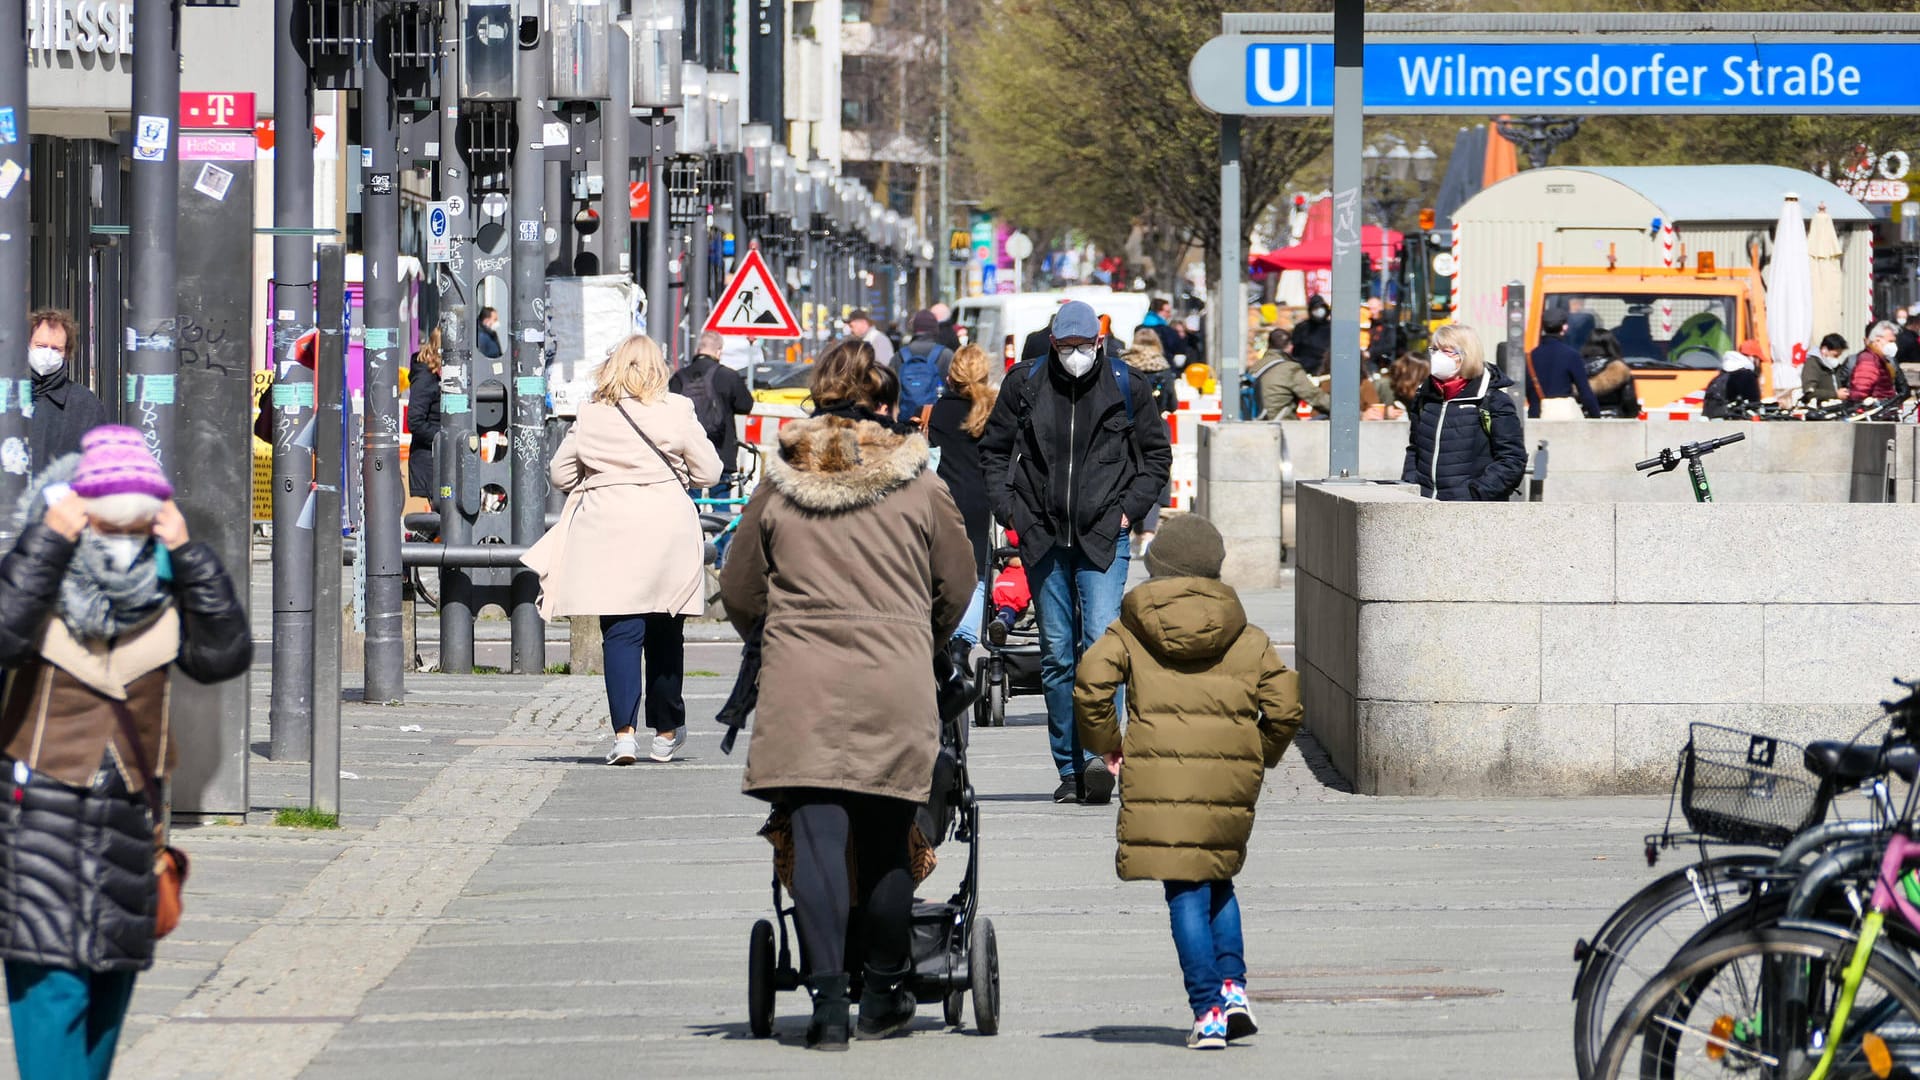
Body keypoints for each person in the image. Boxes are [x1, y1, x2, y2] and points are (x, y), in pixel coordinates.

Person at [719, 341, 975, 1050]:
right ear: (885, 404)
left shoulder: (779, 483)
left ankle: (828, 1006)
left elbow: (739, 589)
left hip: (803, 683)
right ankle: (886, 991)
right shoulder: (919, 483)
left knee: (819, 839)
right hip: (894, 681)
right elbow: (958, 582)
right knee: (890, 835)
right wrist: (918, 636)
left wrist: (775, 635)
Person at [0, 426, 251, 1080]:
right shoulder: (43, 583)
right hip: (39, 827)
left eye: (140, 521)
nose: (125, 536)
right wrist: (49, 537)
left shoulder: (162, 590)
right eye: (116, 519)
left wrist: (188, 550)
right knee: (55, 999)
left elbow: (224, 652)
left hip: (130, 827)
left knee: (107, 1004)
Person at [1074, 514, 1301, 1050]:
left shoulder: (1130, 629)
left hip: (1158, 776)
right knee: (1218, 878)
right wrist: (1258, 753)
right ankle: (1234, 988)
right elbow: (1286, 707)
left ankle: (1208, 1012)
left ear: (1160, 569)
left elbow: (1089, 683)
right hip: (1228, 781)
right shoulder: (1246, 635)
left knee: (1184, 891)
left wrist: (1108, 742)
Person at [978, 300, 1172, 805]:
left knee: (1101, 649)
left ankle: (1101, 759)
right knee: (1059, 657)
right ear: (1054, 343)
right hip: (1042, 536)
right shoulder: (1025, 384)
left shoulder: (1127, 386)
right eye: (1067, 347)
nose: (1076, 356)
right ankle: (1070, 768)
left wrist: (1129, 510)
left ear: (1100, 343)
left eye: (1084, 347)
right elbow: (994, 451)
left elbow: (1156, 456)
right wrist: (1009, 510)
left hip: (1103, 534)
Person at [522, 335, 722, 766]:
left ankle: (624, 735)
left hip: (609, 528)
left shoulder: (593, 413)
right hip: (667, 527)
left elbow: (559, 474)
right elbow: (709, 471)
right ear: (658, 367)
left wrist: (602, 475)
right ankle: (667, 731)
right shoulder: (677, 409)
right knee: (667, 629)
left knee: (621, 632)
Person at [926, 343, 998, 669]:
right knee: (980, 578)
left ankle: (945, 634)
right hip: (982, 502)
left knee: (947, 572)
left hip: (946, 499)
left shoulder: (941, 410)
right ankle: (963, 642)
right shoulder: (993, 409)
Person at [1402, 323, 1526, 502]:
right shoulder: (1425, 396)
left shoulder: (1492, 400)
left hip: (1469, 510)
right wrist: (1411, 484)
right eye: (1435, 349)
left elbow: (1512, 459)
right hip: (1424, 505)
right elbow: (1415, 448)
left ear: (1466, 355)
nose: (1438, 356)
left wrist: (1476, 494)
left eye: (1447, 351)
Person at [668, 330, 755, 500]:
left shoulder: (679, 377)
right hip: (722, 453)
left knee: (691, 504)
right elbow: (746, 405)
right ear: (719, 351)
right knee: (720, 510)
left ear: (697, 350)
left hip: (687, 453)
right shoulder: (728, 376)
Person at [27, 309, 111, 472]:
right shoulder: (8, 396)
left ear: (66, 353)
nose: (47, 354)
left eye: (56, 349)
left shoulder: (84, 405)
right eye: (41, 346)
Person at [1122, 329, 1178, 550]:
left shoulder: (1123, 366)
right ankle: (1148, 532)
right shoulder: (1162, 367)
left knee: (1128, 475)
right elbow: (1172, 403)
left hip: (1126, 426)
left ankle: (1131, 526)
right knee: (1154, 474)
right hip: (1156, 425)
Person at [1526, 307, 1601, 419]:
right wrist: (1596, 417)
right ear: (1564, 327)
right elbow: (1584, 391)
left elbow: (1528, 390)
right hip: (1564, 418)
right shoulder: (1571, 355)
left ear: (1543, 327)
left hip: (1537, 417)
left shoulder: (1530, 356)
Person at [1251, 327, 1328, 420]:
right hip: (1281, 424)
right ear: (1290, 347)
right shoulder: (1290, 368)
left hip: (1256, 422)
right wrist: (1341, 409)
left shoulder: (1256, 367)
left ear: (1269, 345)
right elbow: (1314, 397)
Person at [892, 310, 953, 421]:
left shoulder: (899, 356)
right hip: (936, 420)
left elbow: (890, 387)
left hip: (906, 420)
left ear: (914, 329)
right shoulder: (946, 355)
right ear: (935, 329)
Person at [406, 327, 444, 502]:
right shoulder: (426, 377)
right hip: (430, 462)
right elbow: (415, 421)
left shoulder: (439, 377)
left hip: (439, 460)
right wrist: (443, 439)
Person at [1579, 326, 1641, 418]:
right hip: (1614, 417)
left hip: (1585, 416)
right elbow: (1629, 398)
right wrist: (1631, 415)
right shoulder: (1619, 368)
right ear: (1612, 345)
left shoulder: (1579, 366)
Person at [1850, 320, 1905, 403]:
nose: (1893, 345)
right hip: (1873, 413)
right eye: (1890, 341)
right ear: (1877, 340)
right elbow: (1859, 393)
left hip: (1882, 412)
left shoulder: (1881, 359)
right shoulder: (1868, 360)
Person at [1805, 333, 1854, 402]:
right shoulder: (1812, 364)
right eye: (1835, 355)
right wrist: (1835, 394)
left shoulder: (1834, 366)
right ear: (1824, 350)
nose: (1836, 359)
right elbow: (1809, 392)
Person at [1290, 296, 1331, 375]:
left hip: (1327, 369)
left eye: (1320, 308)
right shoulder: (1302, 327)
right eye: (1315, 308)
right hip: (1306, 369)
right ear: (1310, 310)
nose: (1319, 311)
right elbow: (1295, 352)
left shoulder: (1332, 327)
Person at [1142, 298, 1186, 368]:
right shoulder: (1168, 332)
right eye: (1167, 312)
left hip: (1142, 367)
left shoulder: (1139, 329)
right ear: (1158, 311)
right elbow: (1179, 353)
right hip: (1163, 368)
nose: (1169, 315)